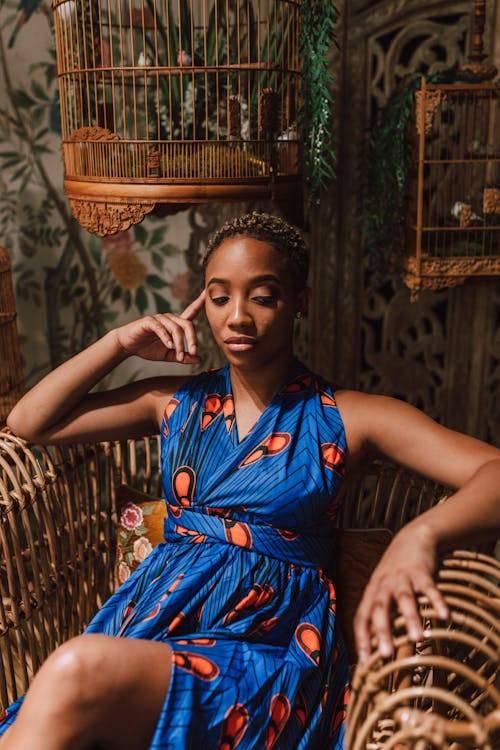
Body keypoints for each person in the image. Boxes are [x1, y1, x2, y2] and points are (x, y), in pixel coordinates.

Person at [0, 211, 499, 750]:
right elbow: (31, 422)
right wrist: (120, 343)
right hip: (153, 625)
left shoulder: (349, 417)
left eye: (262, 296)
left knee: (76, 669)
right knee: (73, 691)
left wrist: (420, 536)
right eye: (219, 297)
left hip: (268, 655)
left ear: (299, 302)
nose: (237, 317)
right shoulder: (173, 402)